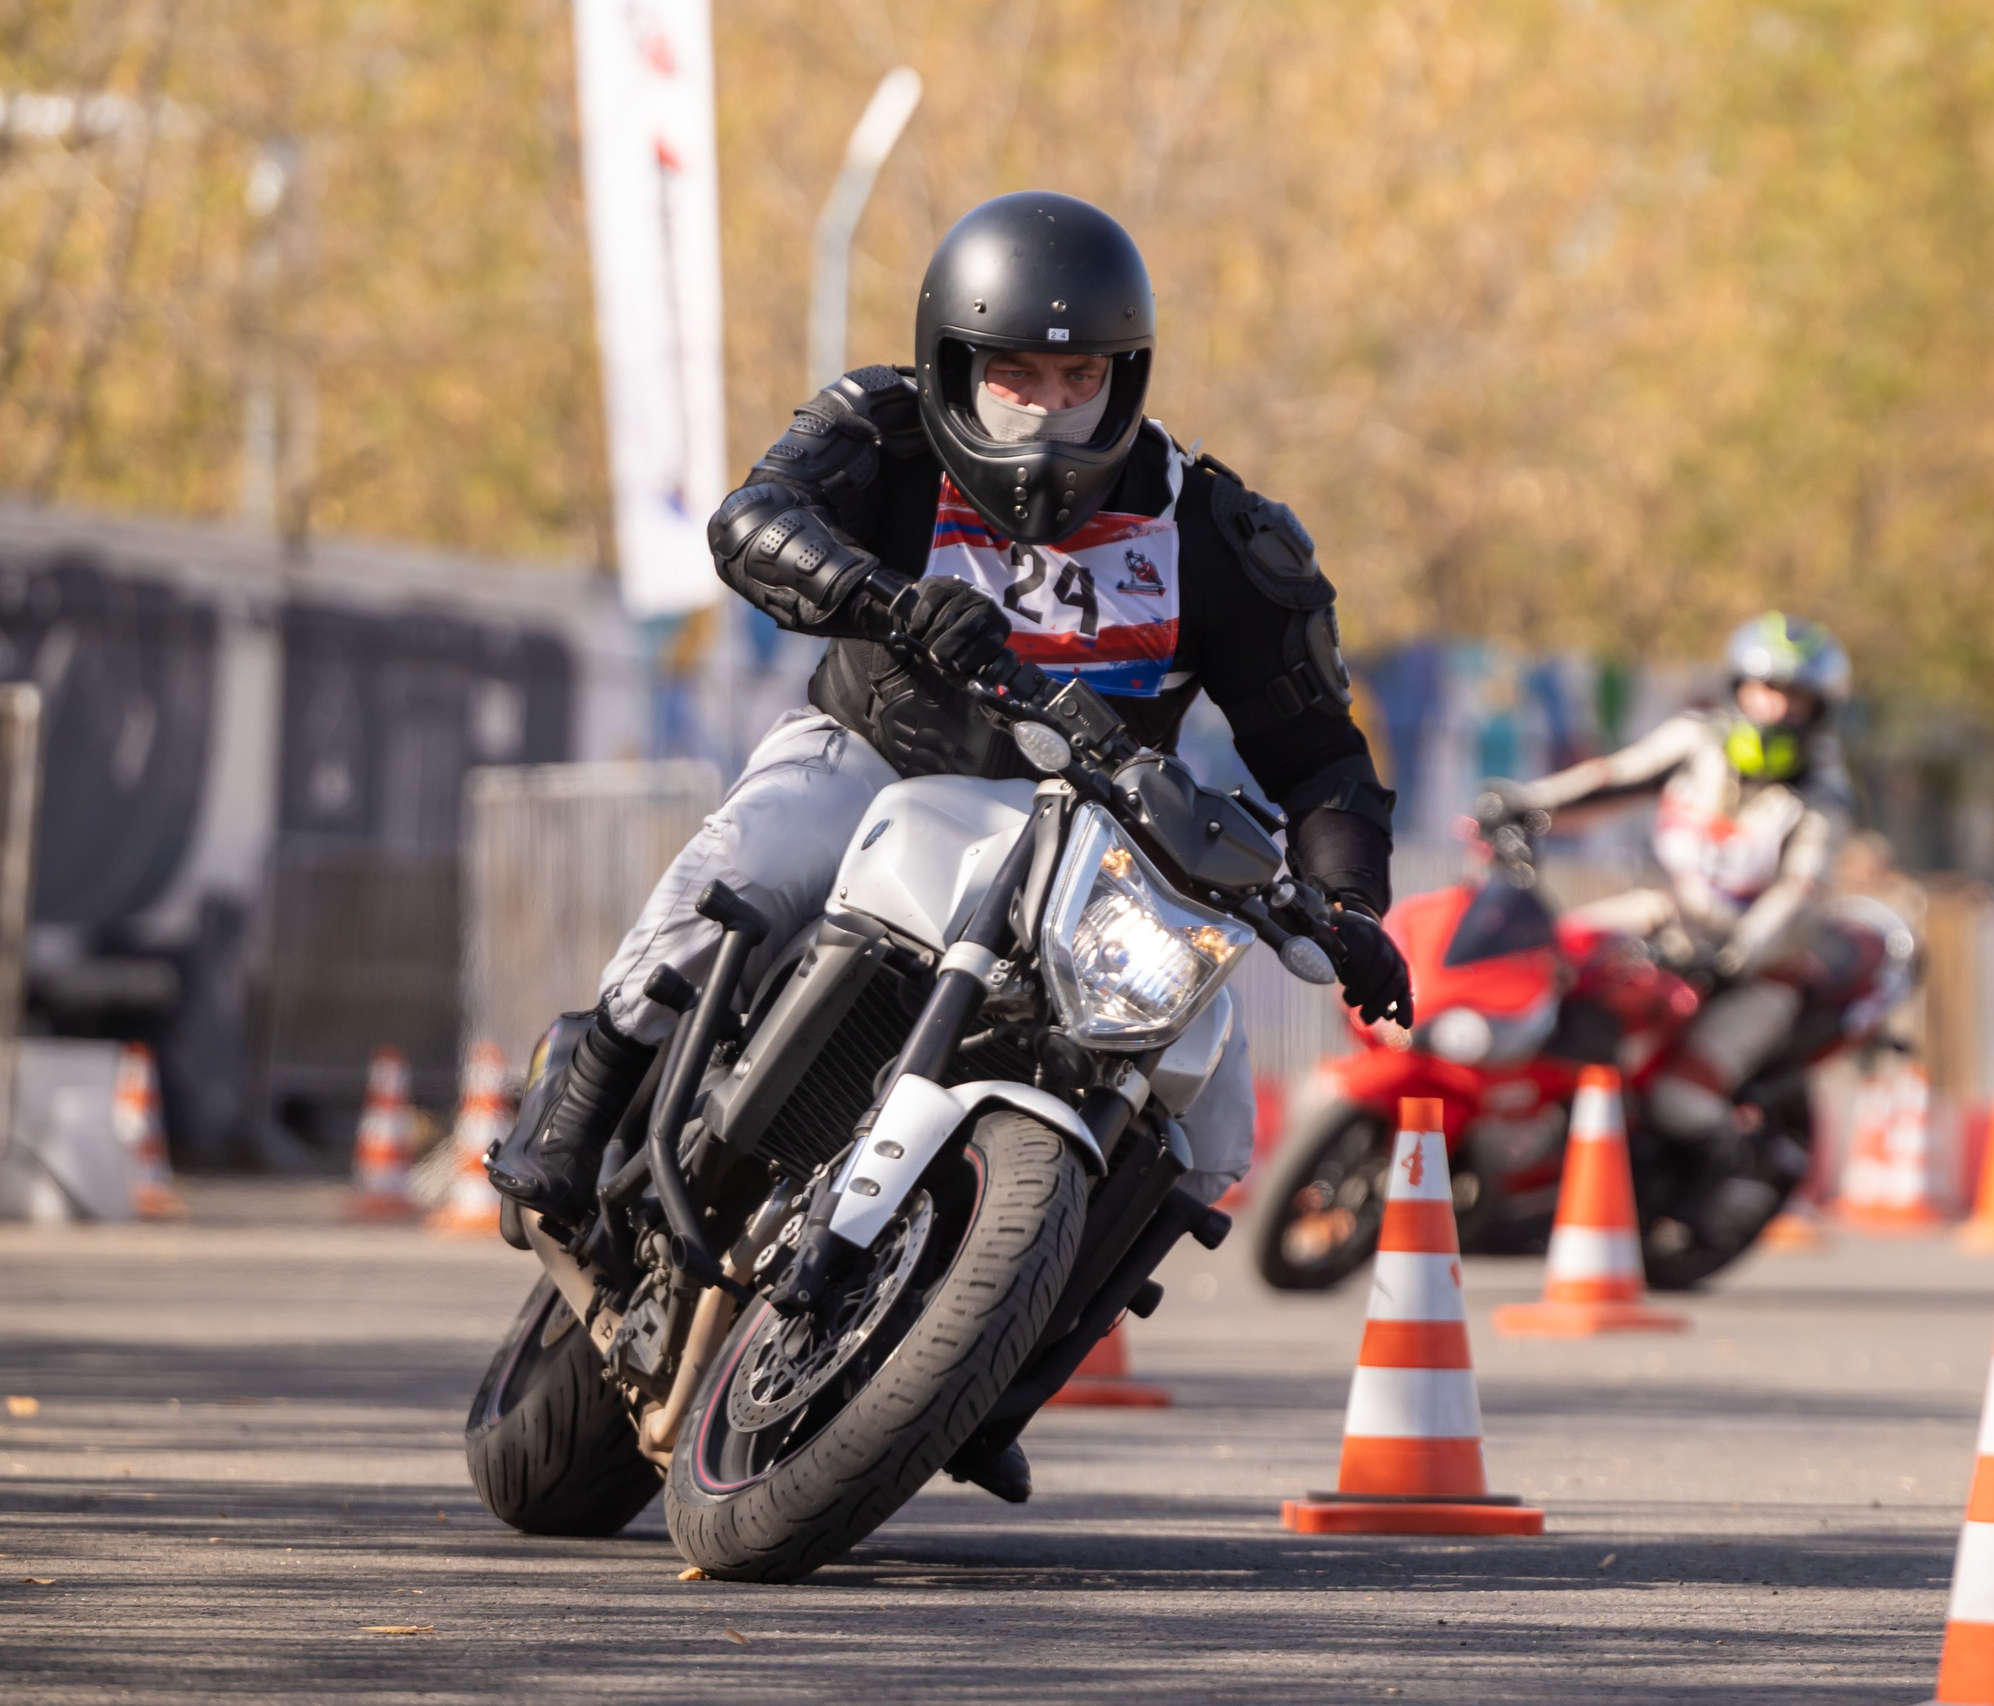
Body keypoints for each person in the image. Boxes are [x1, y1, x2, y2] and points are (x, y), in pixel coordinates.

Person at [489, 191, 1410, 1497]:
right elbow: (750, 523)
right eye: (1015, 372)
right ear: (950, 364)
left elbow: (1318, 750)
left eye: (1079, 375)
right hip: (872, 761)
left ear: (1126, 377)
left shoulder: (1217, 530)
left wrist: (1350, 902)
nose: (1046, 407)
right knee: (749, 859)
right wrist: (885, 601)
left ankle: (996, 1356)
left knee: (1216, 1133)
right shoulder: (878, 432)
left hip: (1094, 834)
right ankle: (580, 1100)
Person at [1480, 614, 1855, 1174]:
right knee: (1549, 961)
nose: (1775, 709)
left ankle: (1734, 1174)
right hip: (1670, 919)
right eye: (1766, 689)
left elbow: (1801, 890)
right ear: (1739, 688)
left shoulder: (1823, 795)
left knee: (1681, 1104)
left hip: (1757, 972)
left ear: (1817, 710)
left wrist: (1738, 955)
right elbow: (1612, 776)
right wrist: (1527, 803)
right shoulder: (1695, 740)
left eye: (1794, 698)